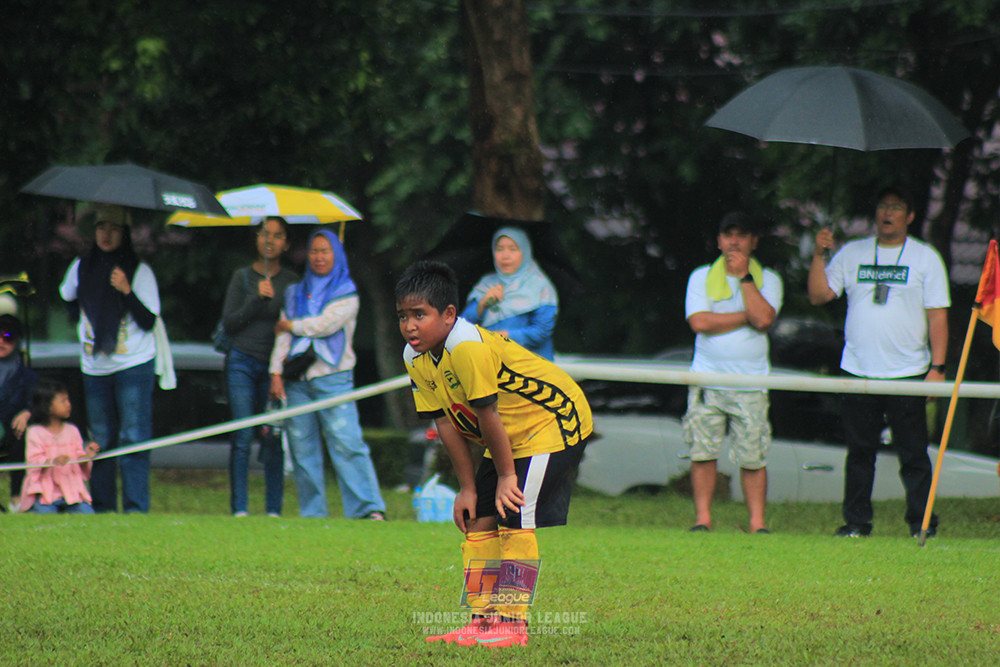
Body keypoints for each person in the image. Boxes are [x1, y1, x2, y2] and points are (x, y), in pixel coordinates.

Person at [395, 260, 593, 648]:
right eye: (403, 316)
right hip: (509, 435)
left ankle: (513, 625)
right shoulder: (413, 357)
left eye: (420, 314)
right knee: (478, 520)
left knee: (513, 513)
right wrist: (467, 488)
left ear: (449, 315)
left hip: (553, 423)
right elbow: (447, 424)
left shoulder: (466, 347)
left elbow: (488, 415)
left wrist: (506, 477)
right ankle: (482, 622)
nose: (410, 326)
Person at [809, 185, 949, 538]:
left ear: (910, 215)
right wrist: (819, 255)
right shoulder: (852, 252)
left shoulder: (925, 257)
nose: (888, 213)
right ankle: (856, 522)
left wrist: (938, 368)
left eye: (897, 207)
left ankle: (922, 523)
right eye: (883, 206)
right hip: (858, 370)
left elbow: (937, 317)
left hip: (908, 372)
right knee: (859, 452)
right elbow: (819, 294)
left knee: (914, 454)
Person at [269, 229, 386, 520]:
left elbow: (325, 325)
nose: (319, 257)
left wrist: (292, 326)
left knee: (347, 442)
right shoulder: (295, 292)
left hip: (333, 377)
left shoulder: (346, 292)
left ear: (337, 254)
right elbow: (281, 336)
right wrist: (275, 371)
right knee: (301, 447)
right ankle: (312, 514)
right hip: (297, 380)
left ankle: (367, 510)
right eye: (314, 251)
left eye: (326, 251)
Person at [682, 212, 783, 534]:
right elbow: (699, 323)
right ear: (719, 241)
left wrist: (745, 279)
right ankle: (703, 520)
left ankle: (757, 523)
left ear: (754, 241)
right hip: (707, 379)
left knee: (753, 456)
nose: (734, 242)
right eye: (728, 235)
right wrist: (747, 316)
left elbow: (765, 320)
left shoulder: (769, 279)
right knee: (703, 451)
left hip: (752, 381)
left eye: (742, 235)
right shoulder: (700, 277)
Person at [59, 204, 164, 513]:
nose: (106, 234)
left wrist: (126, 291)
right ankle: (103, 507)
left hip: (134, 363)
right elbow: (68, 299)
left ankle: (134, 508)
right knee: (101, 439)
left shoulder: (140, 270)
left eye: (114, 229)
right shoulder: (81, 266)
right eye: (101, 227)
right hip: (95, 366)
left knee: (133, 437)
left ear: (125, 234)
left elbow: (148, 320)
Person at [221, 217, 298, 517]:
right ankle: (239, 508)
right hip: (241, 361)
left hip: (273, 369)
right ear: (256, 238)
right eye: (265, 234)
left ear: (286, 243)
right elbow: (229, 323)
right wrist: (256, 300)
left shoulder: (292, 281)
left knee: (273, 436)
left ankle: (273, 509)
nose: (270, 240)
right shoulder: (242, 277)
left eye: (278, 236)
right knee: (241, 436)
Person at [460, 226, 559, 360]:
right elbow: (463, 326)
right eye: (499, 249)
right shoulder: (486, 283)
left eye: (513, 249)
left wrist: (506, 335)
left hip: (531, 366)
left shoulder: (540, 286)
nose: (505, 256)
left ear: (525, 252)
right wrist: (482, 304)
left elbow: (542, 332)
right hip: (492, 363)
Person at [19, 378, 100, 514]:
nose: (68, 404)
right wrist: (52, 461)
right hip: (46, 493)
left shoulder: (72, 430)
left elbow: (79, 457)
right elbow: (33, 462)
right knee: (46, 514)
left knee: (87, 514)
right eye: (62, 401)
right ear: (47, 406)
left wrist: (87, 455)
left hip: (71, 490)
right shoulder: (35, 432)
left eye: (68, 400)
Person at [0, 313, 37, 511]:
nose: (1, 342)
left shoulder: (28, 376)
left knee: (21, 432)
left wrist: (28, 412)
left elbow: (39, 403)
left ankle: (17, 497)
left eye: (7, 337)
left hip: (14, 427)